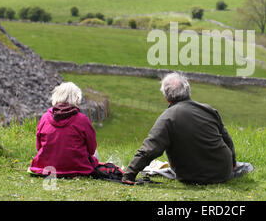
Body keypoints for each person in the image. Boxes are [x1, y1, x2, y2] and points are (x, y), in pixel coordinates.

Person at [122, 72, 250, 185]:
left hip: (192, 177)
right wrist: (233, 164)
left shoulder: (167, 118)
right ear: (188, 91)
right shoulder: (208, 110)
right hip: (223, 172)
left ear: (167, 98)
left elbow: (150, 149)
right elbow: (227, 140)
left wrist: (129, 174)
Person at [28, 82, 99, 177]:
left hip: (45, 167)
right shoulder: (82, 120)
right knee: (96, 154)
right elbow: (92, 149)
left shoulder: (44, 118)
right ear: (77, 99)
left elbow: (38, 146)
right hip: (78, 168)